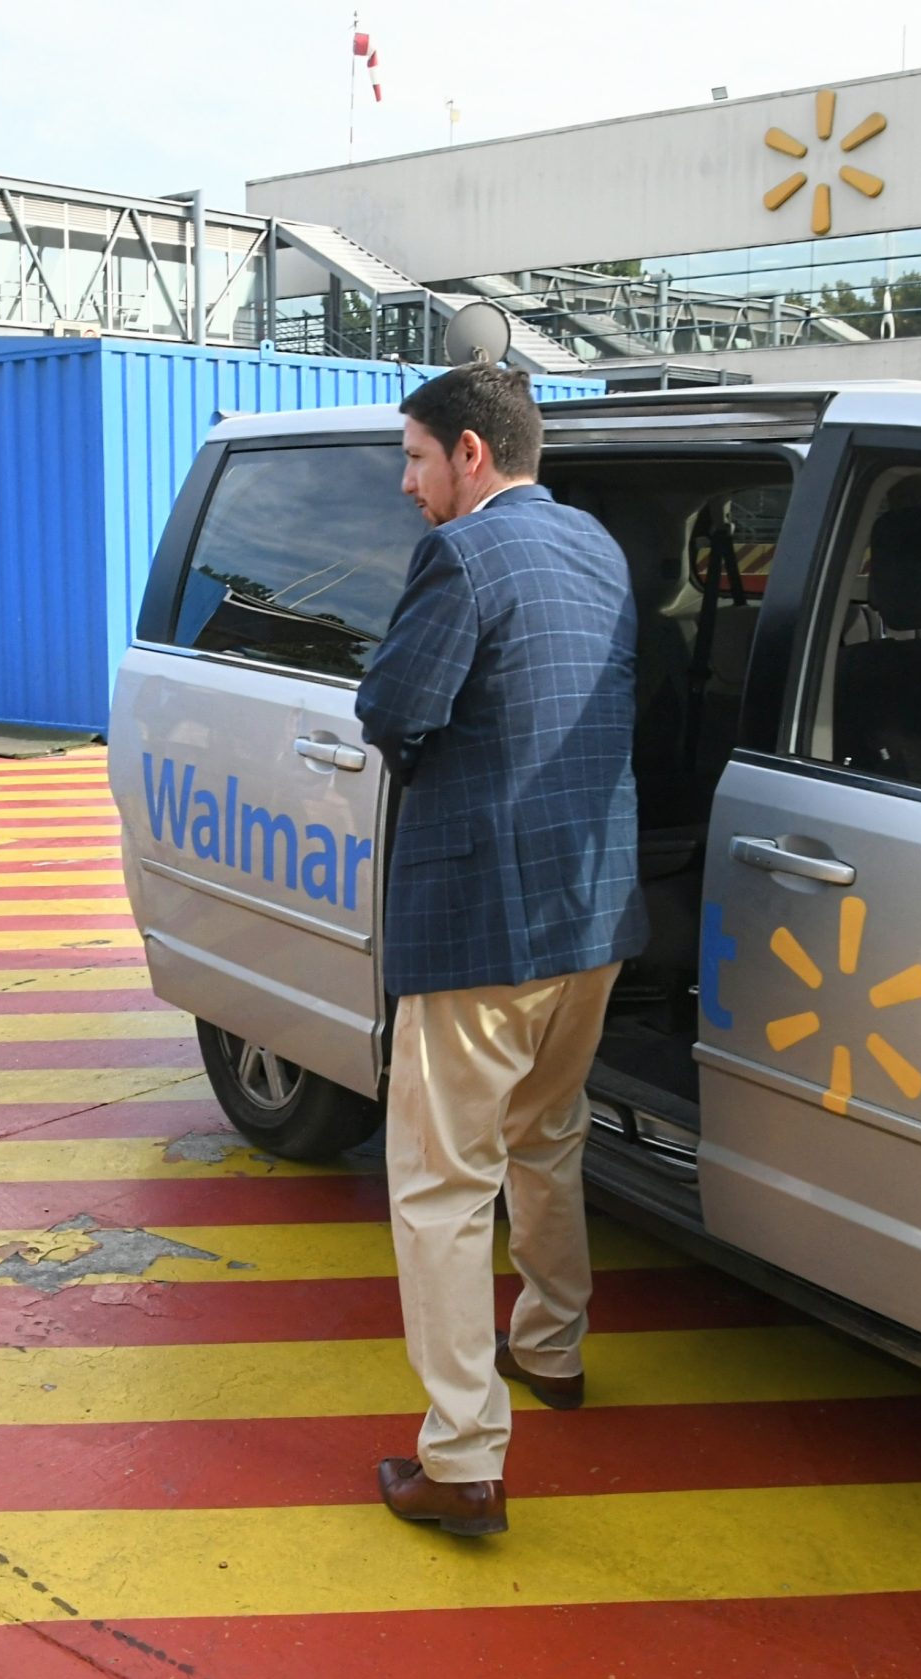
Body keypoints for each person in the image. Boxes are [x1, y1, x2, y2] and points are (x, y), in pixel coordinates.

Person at [353, 364, 648, 1537]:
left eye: (416, 457)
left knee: (440, 1185)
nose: (407, 482)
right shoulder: (597, 547)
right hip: (592, 912)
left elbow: (394, 710)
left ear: (470, 453)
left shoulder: (462, 554)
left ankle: (465, 1458)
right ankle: (552, 1346)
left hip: (481, 922)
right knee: (547, 1134)